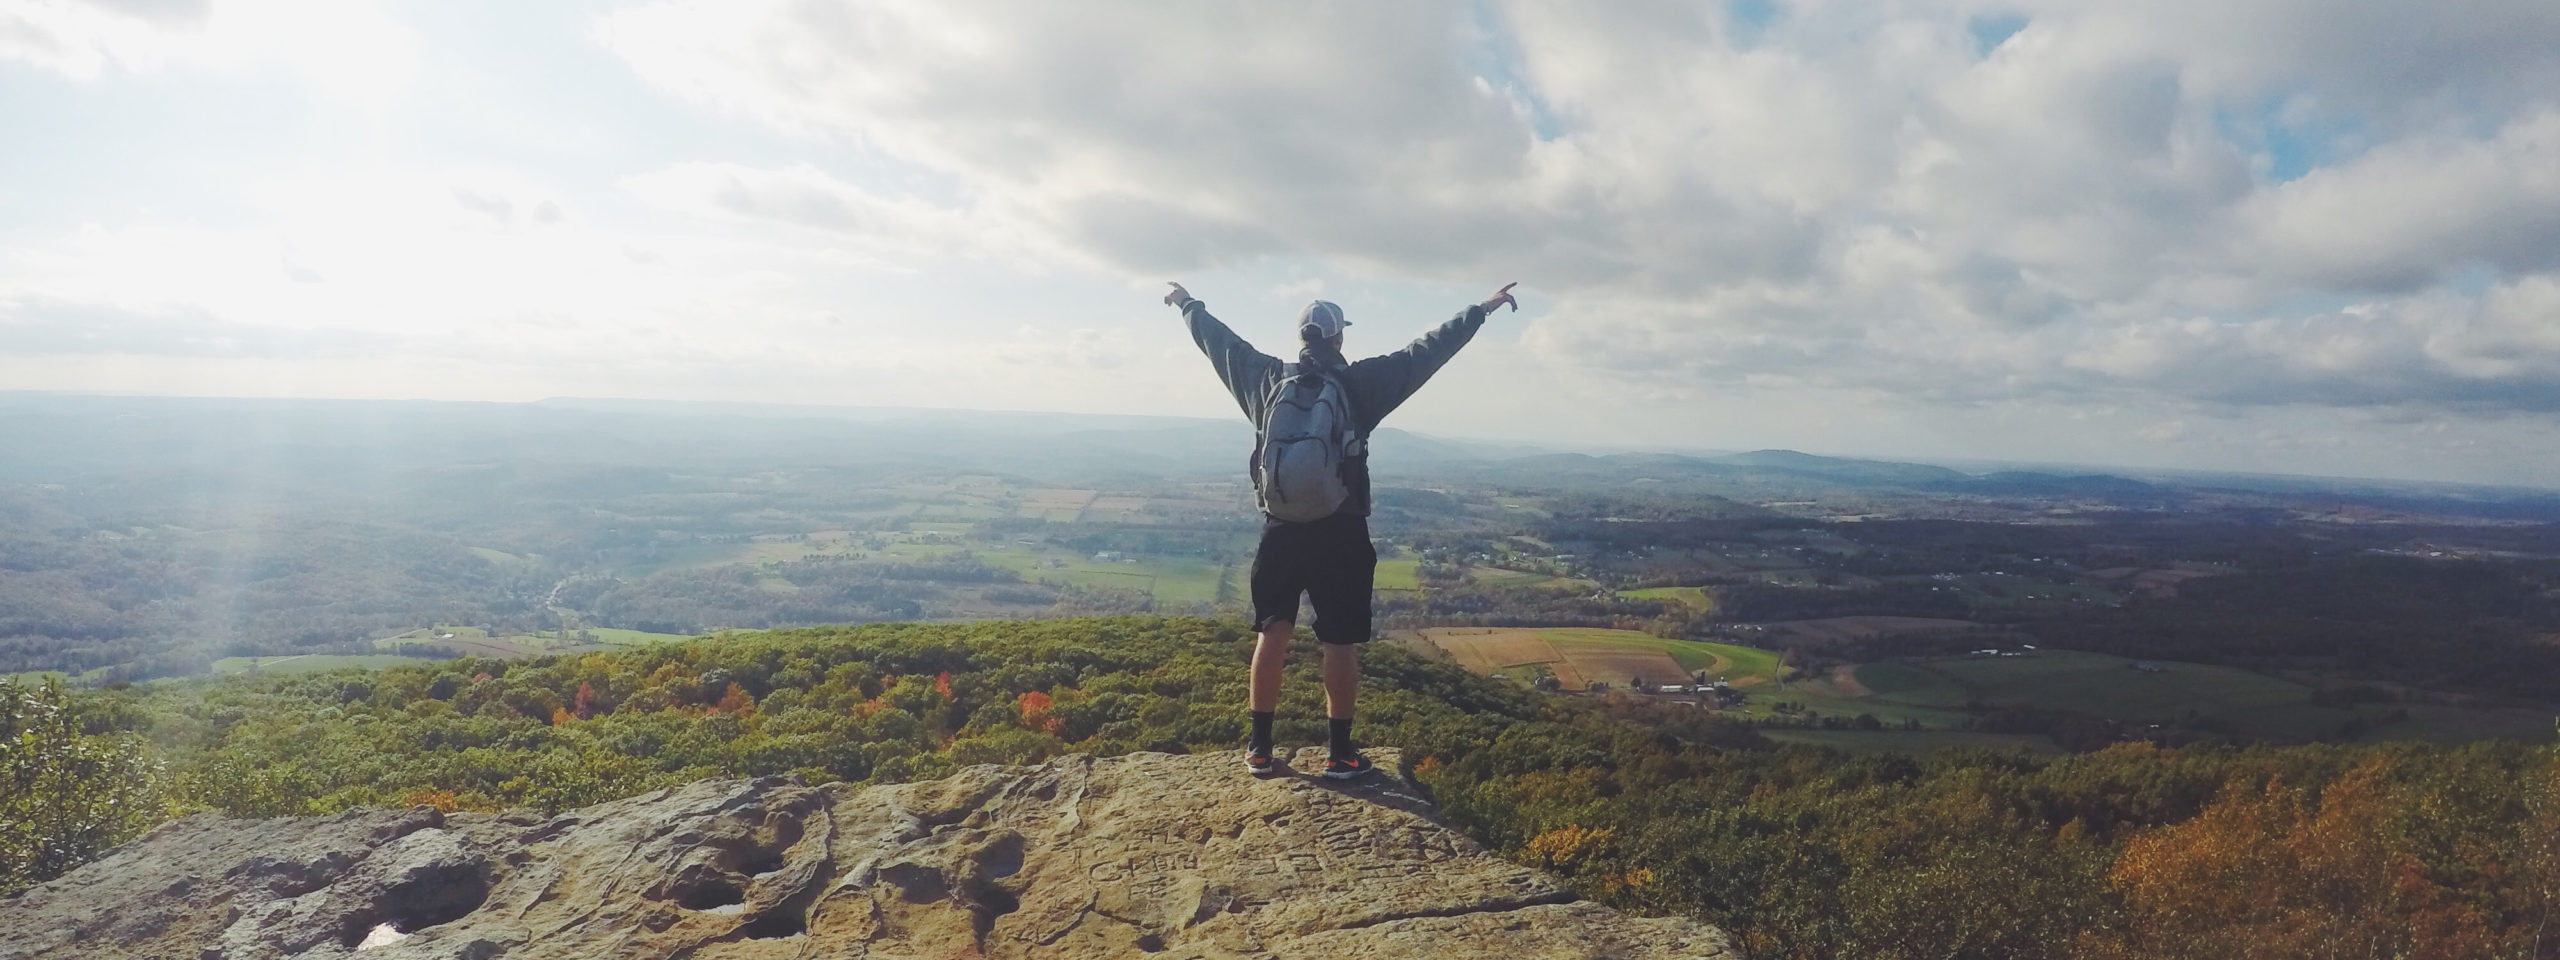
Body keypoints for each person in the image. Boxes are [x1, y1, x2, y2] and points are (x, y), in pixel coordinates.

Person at [1165, 280, 1520, 778]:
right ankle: (1340, 754)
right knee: (1338, 643)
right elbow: (1426, 351)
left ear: (1302, 337)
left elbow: (1217, 341)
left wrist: (1186, 304)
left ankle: (1260, 748)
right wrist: (1479, 311)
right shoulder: (1360, 384)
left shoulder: (1265, 378)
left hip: (1280, 529)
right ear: (1338, 339)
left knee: (1273, 633)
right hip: (1341, 530)